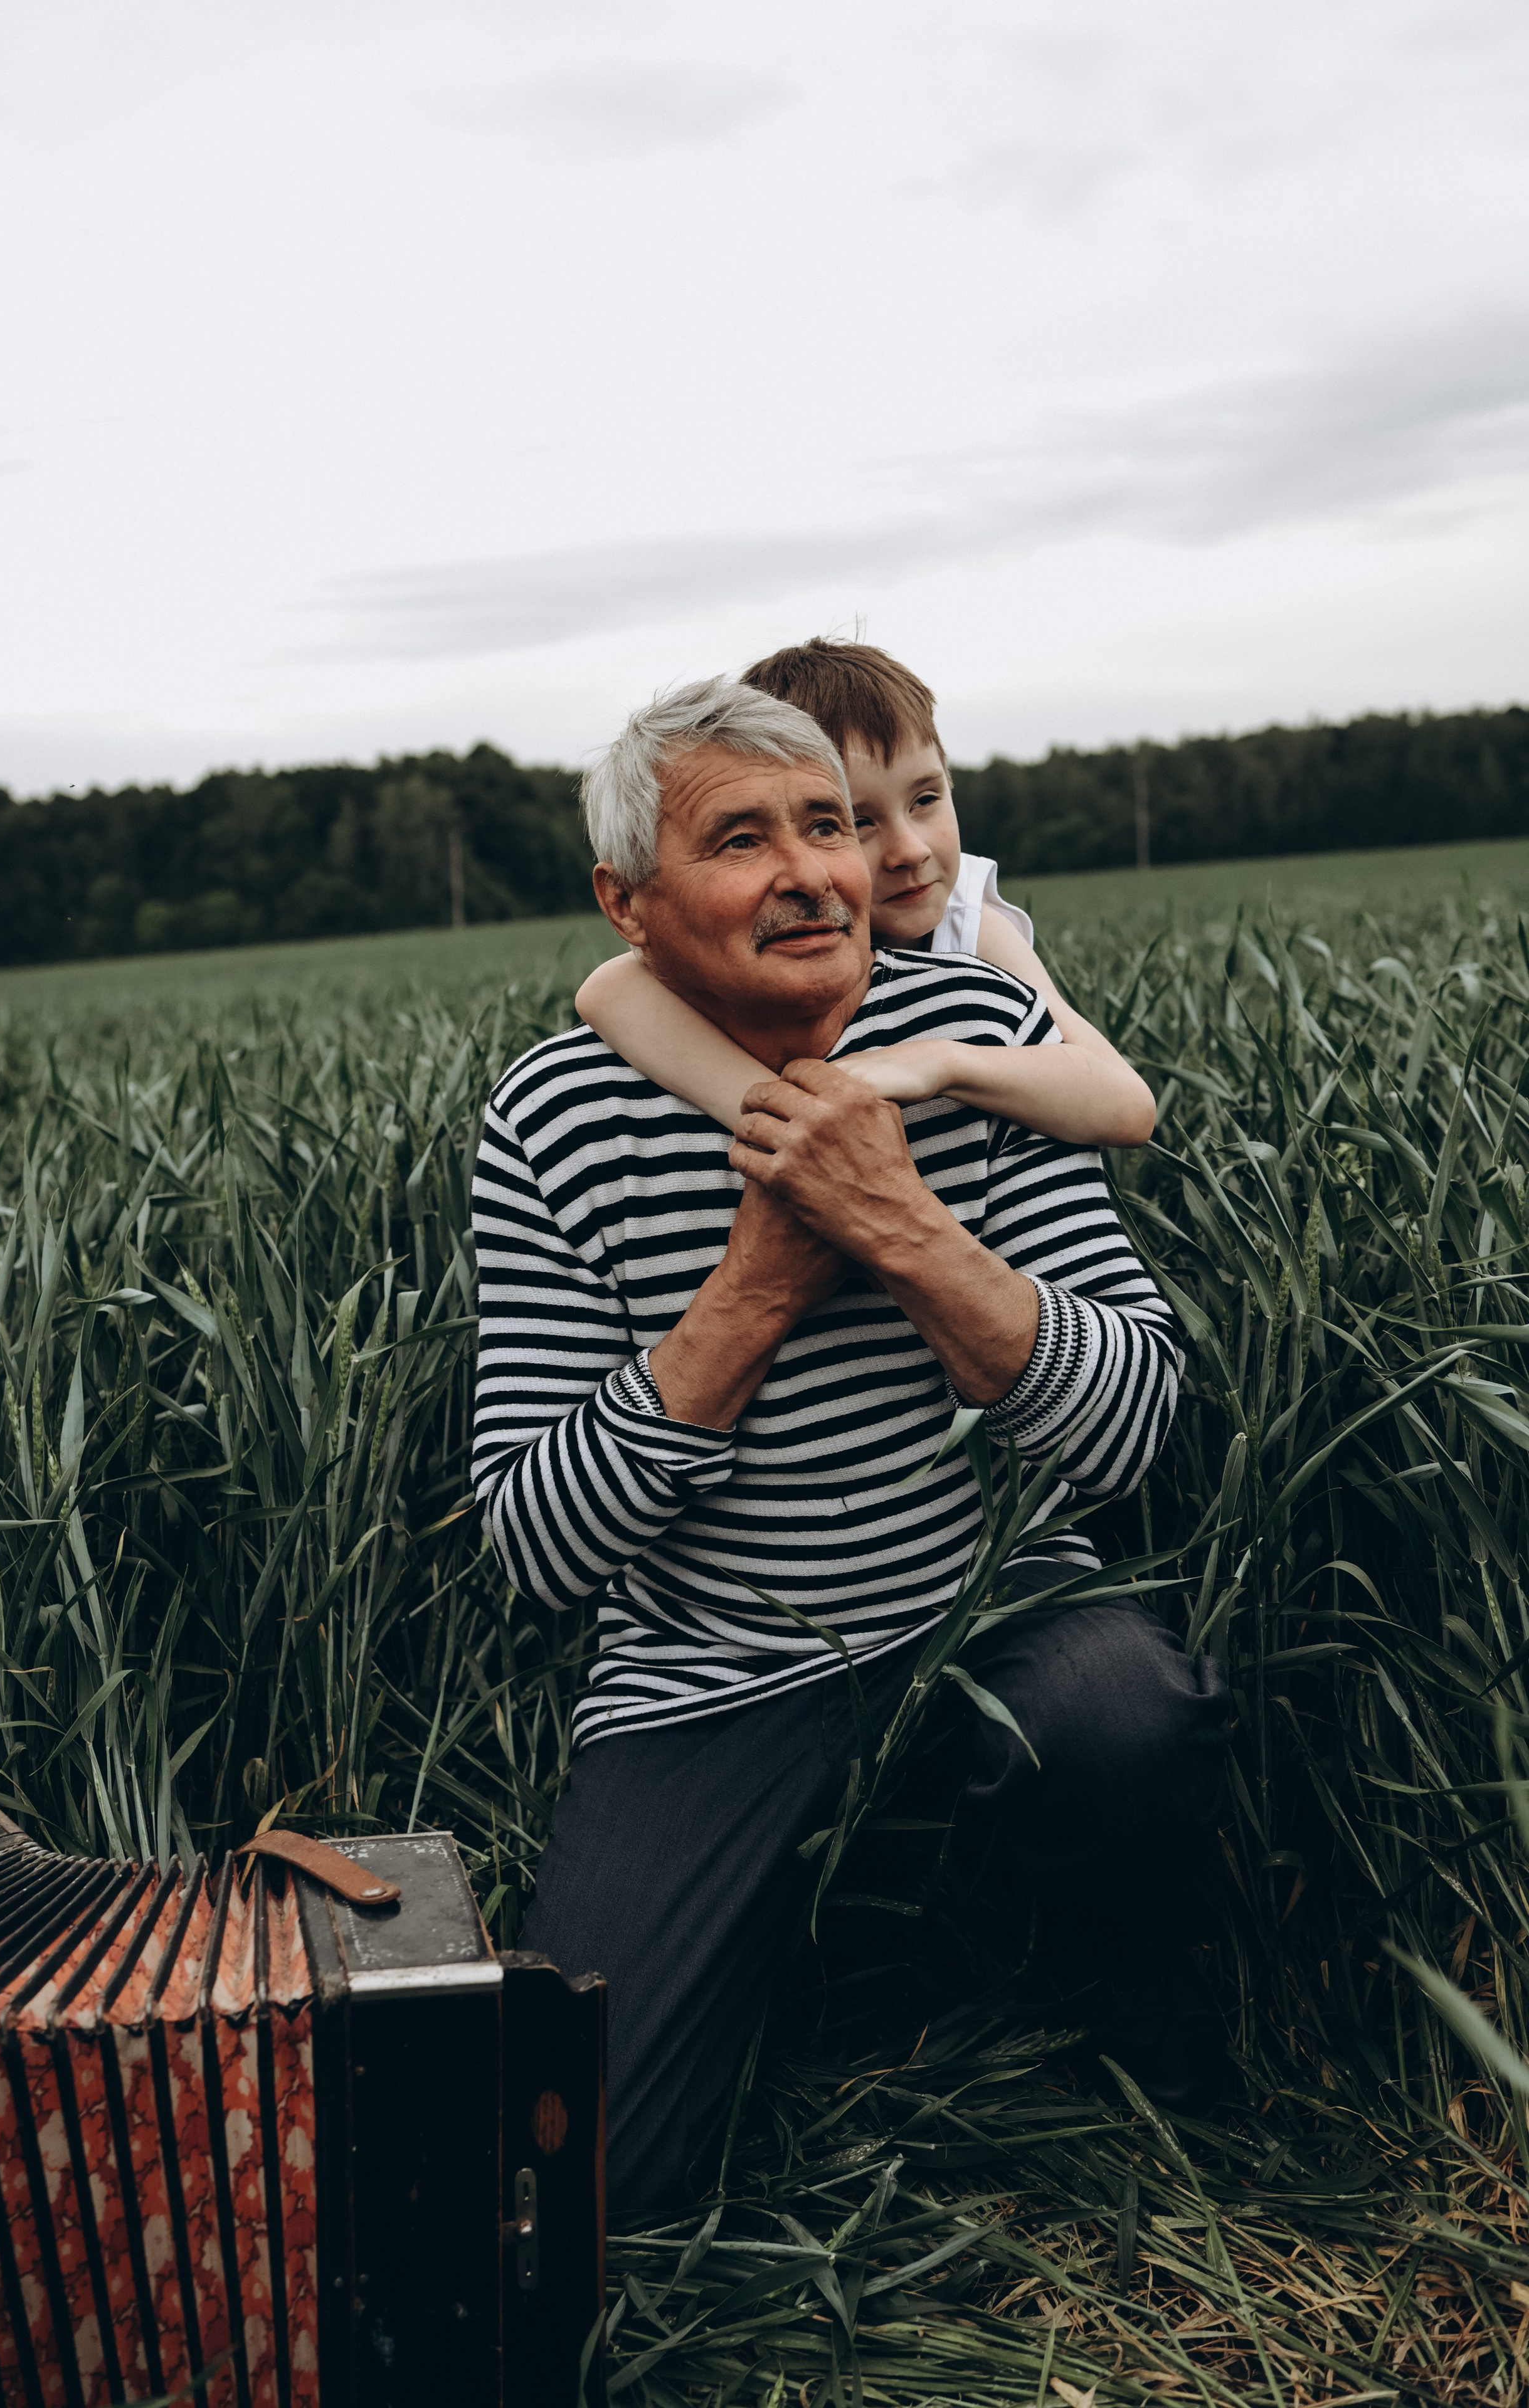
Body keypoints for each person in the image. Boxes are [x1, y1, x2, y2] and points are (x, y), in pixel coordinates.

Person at [471, 678, 1229, 2217]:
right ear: (625, 903)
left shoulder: (976, 1029)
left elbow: (1135, 1420)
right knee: (593, 2168)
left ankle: (1140, 2096)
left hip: (993, 1598)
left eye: (824, 821)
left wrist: (898, 1225)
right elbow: (535, 1546)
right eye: (740, 837)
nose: (814, 866)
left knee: (1121, 1714)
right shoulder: (553, 1119)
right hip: (711, 1662)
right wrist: (753, 1286)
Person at [576, 637, 1155, 1151]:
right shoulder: (780, 923)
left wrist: (938, 1062)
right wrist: (784, 1119)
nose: (910, 850)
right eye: (854, 820)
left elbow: (1126, 1107)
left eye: (926, 800)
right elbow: (607, 991)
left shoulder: (967, 927)